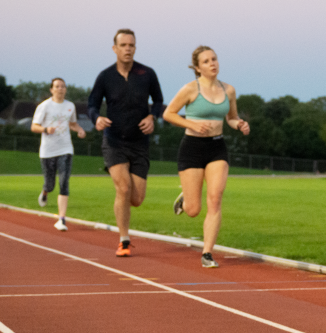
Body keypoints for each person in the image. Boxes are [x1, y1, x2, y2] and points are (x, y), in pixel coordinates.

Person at [163, 46, 250, 268]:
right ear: (197, 67)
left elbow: (231, 117)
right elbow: (168, 114)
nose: (213, 63)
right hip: (191, 147)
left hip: (216, 147)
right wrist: (192, 123)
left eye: (215, 59)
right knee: (193, 210)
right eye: (206, 61)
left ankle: (207, 253)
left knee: (215, 198)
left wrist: (238, 124)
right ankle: (186, 196)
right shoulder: (190, 89)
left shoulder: (228, 90)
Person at [88, 28, 164, 257]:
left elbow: (158, 100)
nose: (128, 49)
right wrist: (97, 118)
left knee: (137, 199)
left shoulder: (147, 74)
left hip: (140, 142)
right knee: (122, 188)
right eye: (123, 45)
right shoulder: (105, 76)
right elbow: (92, 104)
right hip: (114, 141)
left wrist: (153, 116)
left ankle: (124, 225)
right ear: (115, 49)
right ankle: (124, 240)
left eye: (131, 45)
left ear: (135, 48)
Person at [31, 78, 87, 231]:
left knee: (64, 182)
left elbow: (72, 123)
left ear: (66, 89)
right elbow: (34, 126)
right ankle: (44, 191)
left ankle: (61, 219)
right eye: (57, 86)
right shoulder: (44, 106)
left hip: (65, 149)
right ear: (51, 89)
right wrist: (45, 129)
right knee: (50, 184)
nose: (60, 89)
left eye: (63, 86)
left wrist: (80, 130)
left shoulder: (70, 106)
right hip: (48, 151)